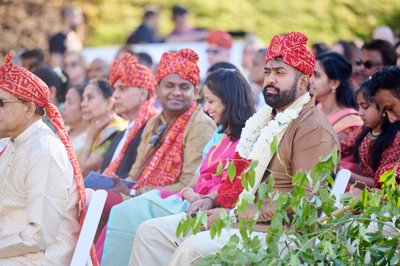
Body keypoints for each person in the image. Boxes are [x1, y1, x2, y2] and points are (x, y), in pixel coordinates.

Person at [130, 32, 340, 265]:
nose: (270, 79)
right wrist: (211, 199)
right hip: (239, 219)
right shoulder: (265, 120)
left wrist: (233, 214)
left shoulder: (313, 129)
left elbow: (302, 203)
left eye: (280, 73)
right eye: (268, 71)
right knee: (151, 233)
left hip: (279, 234)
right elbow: (240, 180)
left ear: (303, 82)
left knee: (194, 248)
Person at [97, 68, 256, 265]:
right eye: (169, 86)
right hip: (187, 200)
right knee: (118, 211)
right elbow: (191, 183)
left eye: (211, 101)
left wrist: (205, 199)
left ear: (229, 100)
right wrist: (191, 194)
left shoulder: (246, 140)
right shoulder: (220, 138)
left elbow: (230, 189)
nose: (206, 108)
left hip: (204, 209)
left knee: (131, 216)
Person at [95, 48, 216, 240]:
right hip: (143, 197)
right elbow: (136, 172)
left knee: (99, 202)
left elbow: (188, 185)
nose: (176, 92)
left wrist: (136, 192)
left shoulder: (200, 124)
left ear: (195, 92)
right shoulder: (154, 122)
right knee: (91, 197)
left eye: (184, 87)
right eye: (169, 85)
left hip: (175, 204)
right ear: (157, 88)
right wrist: (127, 187)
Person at [0, 51, 88, 264]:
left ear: (29, 108)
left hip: (36, 259)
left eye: (2, 103)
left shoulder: (44, 150)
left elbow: (39, 235)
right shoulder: (15, 144)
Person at [100, 53, 157, 179]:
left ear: (143, 94)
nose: (115, 95)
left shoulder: (154, 129)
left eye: (122, 89)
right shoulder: (122, 133)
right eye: (114, 89)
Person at [340, 80, 400, 190]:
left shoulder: (394, 140)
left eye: (365, 107)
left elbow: (381, 184)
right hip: (362, 191)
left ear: (383, 107)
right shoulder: (365, 129)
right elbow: (343, 146)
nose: (360, 113)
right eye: (359, 106)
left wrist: (344, 174)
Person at [78, 79, 127, 176]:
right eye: (83, 99)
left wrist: (90, 138)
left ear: (109, 103)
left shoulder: (116, 129)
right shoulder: (96, 126)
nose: (83, 104)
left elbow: (82, 168)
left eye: (90, 98)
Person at [310, 52, 363, 140]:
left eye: (317, 75)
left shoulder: (349, 124)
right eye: (310, 74)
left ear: (334, 83)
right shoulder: (317, 108)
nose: (310, 80)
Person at [62, 84, 89, 156]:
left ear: (83, 106)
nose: (64, 107)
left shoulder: (88, 138)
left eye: (70, 103)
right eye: (65, 101)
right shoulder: (63, 131)